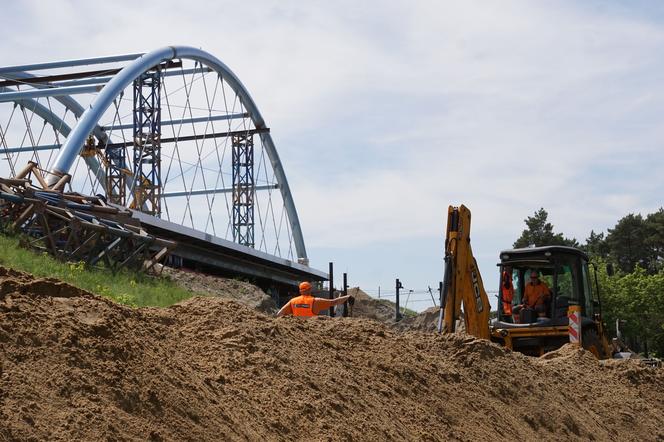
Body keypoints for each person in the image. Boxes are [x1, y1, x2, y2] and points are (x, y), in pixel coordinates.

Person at [276, 281, 354, 317]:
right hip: (311, 331)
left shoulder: (292, 301)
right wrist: (348, 297)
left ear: (300, 291)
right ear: (310, 290)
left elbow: (279, 314)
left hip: (297, 332)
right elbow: (333, 302)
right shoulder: (315, 301)